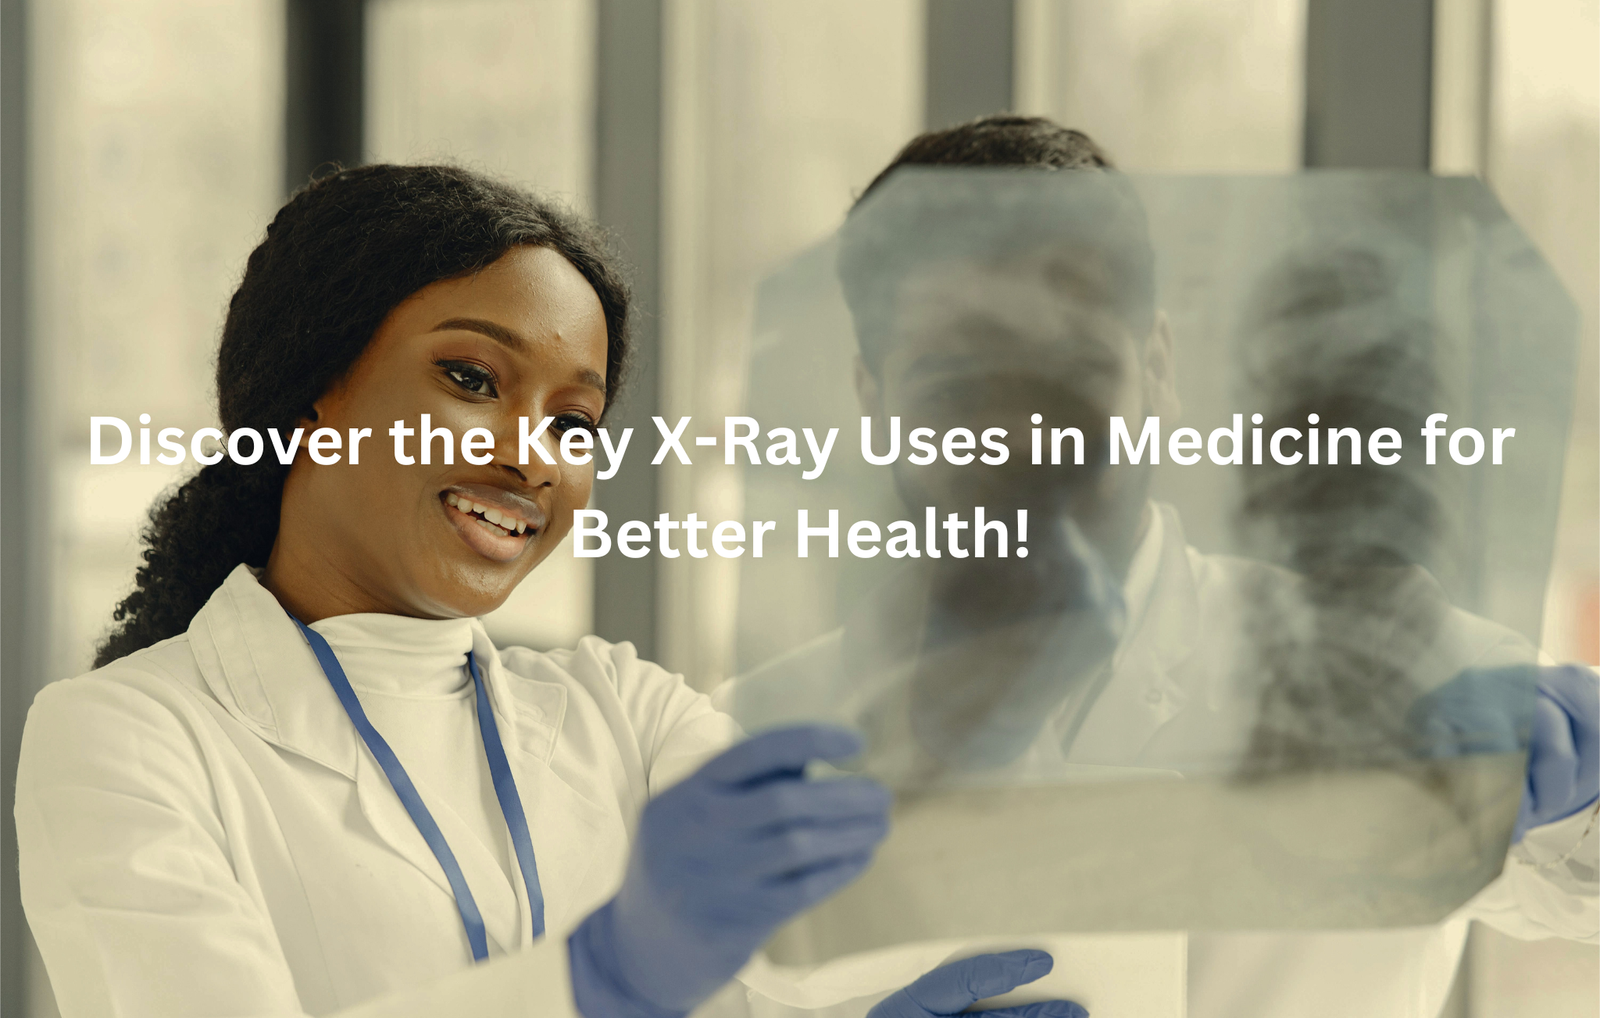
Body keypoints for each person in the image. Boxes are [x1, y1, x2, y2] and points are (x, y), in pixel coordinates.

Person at [13, 165, 1090, 1018]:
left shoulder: (616, 708)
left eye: (573, 421)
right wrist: (599, 978)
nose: (533, 460)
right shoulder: (125, 740)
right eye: (473, 379)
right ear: (309, 395)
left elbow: (804, 940)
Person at [718, 116, 1599, 1017]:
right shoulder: (735, 753)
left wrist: (1580, 779)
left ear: (1158, 369)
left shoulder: (1386, 675)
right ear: (875, 403)